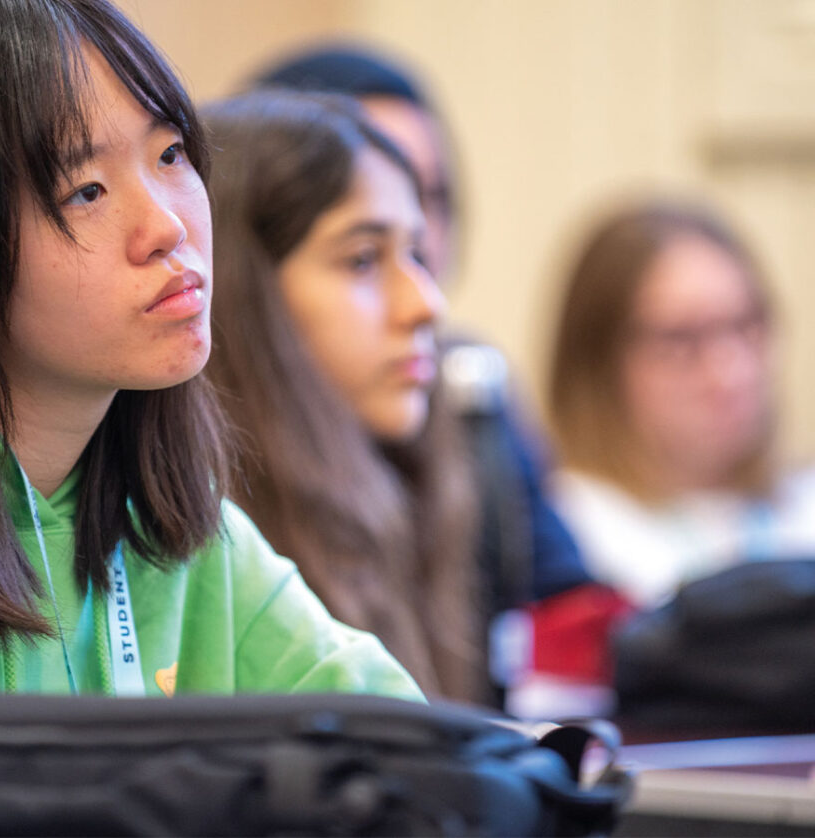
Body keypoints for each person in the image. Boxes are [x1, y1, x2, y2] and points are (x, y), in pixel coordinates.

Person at [0, 0, 422, 726]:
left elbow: (414, 752)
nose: (168, 225)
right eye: (85, 190)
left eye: (171, 155)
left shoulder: (173, 526)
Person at [248, 44, 592, 619]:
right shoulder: (194, 472)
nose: (424, 257)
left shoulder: (470, 388)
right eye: (361, 248)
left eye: (429, 200)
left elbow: (569, 610)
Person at [202, 90, 486, 703]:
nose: (425, 303)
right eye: (362, 259)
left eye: (416, 253)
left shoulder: (418, 496)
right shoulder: (201, 555)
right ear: (240, 294)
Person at [547, 198, 815, 608]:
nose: (730, 373)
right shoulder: (568, 532)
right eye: (682, 341)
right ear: (596, 363)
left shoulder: (802, 506)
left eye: (746, 326)